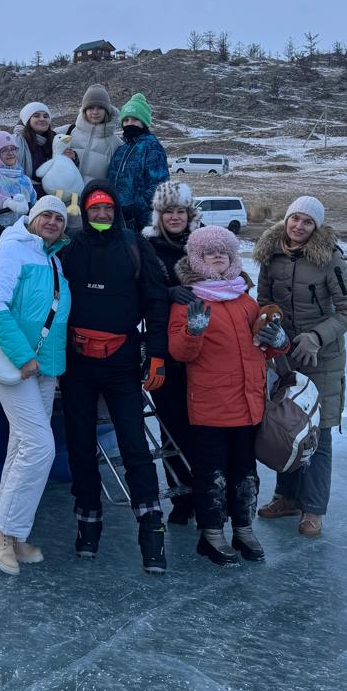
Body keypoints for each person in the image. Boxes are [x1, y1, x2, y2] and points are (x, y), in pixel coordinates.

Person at [60, 180, 170, 573]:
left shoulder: (135, 246)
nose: (102, 214)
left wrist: (157, 355)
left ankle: (151, 529)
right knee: (79, 446)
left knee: (134, 446)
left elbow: (156, 303)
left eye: (107, 208)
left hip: (122, 361)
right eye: (95, 208)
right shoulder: (70, 249)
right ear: (85, 211)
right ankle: (88, 521)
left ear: (116, 210)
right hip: (77, 364)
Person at [168, 226, 290, 566]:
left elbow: (263, 347)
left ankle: (243, 529)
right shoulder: (189, 301)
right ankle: (211, 534)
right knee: (212, 473)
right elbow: (179, 352)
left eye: (223, 250)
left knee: (245, 472)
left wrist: (279, 341)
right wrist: (193, 332)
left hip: (249, 403)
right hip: (211, 405)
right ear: (197, 259)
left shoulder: (246, 300)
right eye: (210, 252)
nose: (218, 256)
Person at [255, 196, 347, 537]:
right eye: (295, 218)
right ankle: (286, 497)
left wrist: (316, 336)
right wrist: (270, 327)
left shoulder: (330, 259)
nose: (299, 226)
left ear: (316, 227)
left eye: (307, 222)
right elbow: (263, 302)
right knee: (285, 426)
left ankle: (313, 509)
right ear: (286, 219)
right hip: (284, 355)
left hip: (322, 358)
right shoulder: (270, 255)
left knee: (319, 432)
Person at [0, 196, 72, 576]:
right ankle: (1, 531)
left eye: (59, 218)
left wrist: (49, 366)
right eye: (45, 215)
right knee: (39, 446)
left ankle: (13, 532)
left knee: (21, 446)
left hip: (42, 369)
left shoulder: (54, 260)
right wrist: (23, 357)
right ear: (31, 219)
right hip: (14, 364)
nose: (52, 222)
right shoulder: (8, 252)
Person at [143, 181, 202, 525]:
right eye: (169, 212)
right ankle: (181, 497)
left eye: (181, 211)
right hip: (162, 348)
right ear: (159, 215)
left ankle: (205, 492)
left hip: (203, 349)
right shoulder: (147, 247)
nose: (176, 217)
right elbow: (137, 292)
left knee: (202, 424)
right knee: (171, 426)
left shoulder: (202, 245)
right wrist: (167, 295)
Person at [108, 92, 170, 229]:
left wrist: (135, 208)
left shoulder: (152, 147)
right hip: (116, 217)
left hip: (141, 221)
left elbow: (160, 186)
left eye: (135, 119)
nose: (129, 123)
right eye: (126, 120)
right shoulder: (121, 149)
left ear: (144, 122)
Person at [65, 84, 121, 182]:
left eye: (100, 108)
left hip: (96, 192)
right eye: (91, 107)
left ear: (106, 111)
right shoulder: (67, 132)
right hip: (66, 191)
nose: (95, 112)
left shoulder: (116, 144)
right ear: (84, 110)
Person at [0, 132, 36, 226]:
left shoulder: (24, 179)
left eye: (13, 149)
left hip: (24, 230)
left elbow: (34, 202)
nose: (10, 153)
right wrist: (8, 203)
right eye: (4, 150)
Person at [13, 103, 56, 194]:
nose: (42, 119)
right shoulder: (17, 141)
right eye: (36, 116)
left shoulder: (55, 139)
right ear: (27, 120)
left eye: (46, 116)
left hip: (52, 193)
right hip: (26, 193)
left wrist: (73, 158)